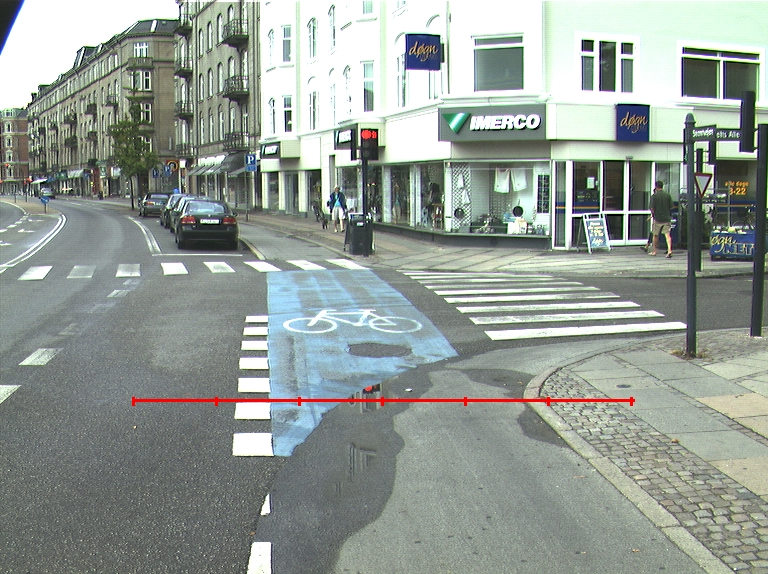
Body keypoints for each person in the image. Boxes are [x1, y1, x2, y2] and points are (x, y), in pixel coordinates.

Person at [649, 180, 673, 258]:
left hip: (657, 218)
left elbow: (652, 208)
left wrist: (653, 215)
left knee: (655, 235)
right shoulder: (668, 195)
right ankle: (669, 250)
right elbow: (671, 206)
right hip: (666, 218)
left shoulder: (654, 196)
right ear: (662, 186)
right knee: (667, 235)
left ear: (656, 187)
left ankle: (654, 251)